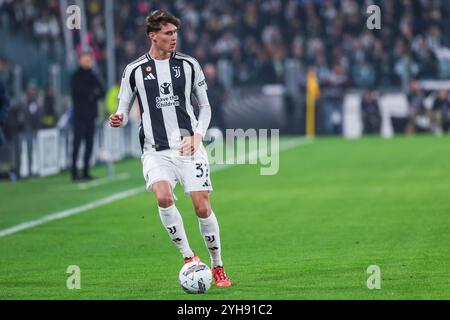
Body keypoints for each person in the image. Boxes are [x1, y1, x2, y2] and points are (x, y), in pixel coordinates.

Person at [109, 10, 231, 287]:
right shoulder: (134, 70)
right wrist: (119, 117)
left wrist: (198, 136)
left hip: (188, 147)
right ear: (153, 35)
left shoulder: (189, 65)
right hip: (155, 150)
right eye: (168, 33)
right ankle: (188, 257)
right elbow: (124, 107)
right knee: (163, 197)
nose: (174, 38)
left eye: (175, 32)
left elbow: (206, 106)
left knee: (202, 207)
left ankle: (217, 265)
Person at [70, 50, 104, 181]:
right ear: (80, 61)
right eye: (85, 59)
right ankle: (74, 172)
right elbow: (81, 92)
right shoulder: (76, 76)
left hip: (91, 116)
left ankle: (85, 171)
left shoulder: (94, 76)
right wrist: (92, 93)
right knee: (77, 145)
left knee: (89, 145)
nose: (87, 62)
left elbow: (101, 91)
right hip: (79, 116)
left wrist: (92, 93)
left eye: (89, 60)